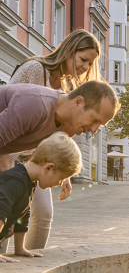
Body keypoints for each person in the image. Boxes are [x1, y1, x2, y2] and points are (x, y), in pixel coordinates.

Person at [5, 29, 101, 249]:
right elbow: (11, 115)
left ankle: (29, 264)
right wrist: (5, 169)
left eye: (90, 63)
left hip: (38, 162)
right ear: (68, 50)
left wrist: (64, 170)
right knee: (5, 212)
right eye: (83, 59)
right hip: (9, 153)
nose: (85, 67)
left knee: (44, 215)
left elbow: (58, 136)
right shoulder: (35, 69)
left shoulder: (69, 89)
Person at [0, 80, 119, 253]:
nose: (93, 130)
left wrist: (64, 175)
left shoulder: (69, 127)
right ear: (78, 102)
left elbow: (43, 156)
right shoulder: (35, 105)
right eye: (94, 120)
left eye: (99, 126)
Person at [0, 133, 82, 263]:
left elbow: (23, 213)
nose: (60, 183)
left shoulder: (29, 180)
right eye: (60, 178)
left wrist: (19, 248)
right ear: (49, 168)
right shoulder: (14, 181)